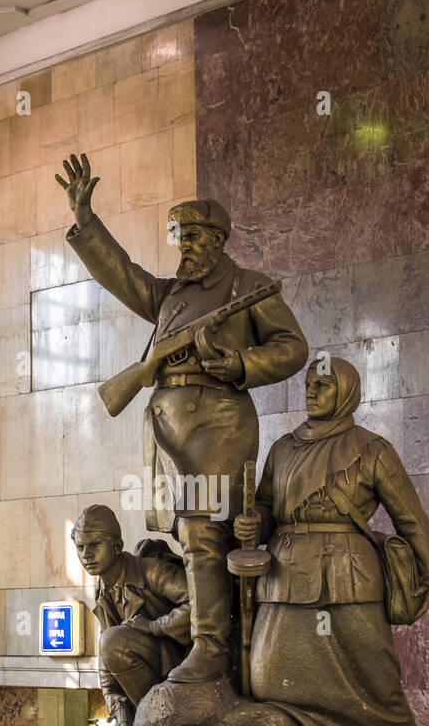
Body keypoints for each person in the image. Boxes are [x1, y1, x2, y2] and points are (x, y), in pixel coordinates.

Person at [57, 153, 307, 684]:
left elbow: (293, 349)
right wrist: (86, 221)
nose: (184, 248)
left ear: (218, 241)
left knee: (199, 526)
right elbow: (121, 276)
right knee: (188, 529)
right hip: (169, 433)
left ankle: (212, 646)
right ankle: (208, 631)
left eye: (193, 239)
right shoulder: (173, 295)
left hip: (218, 422)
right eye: (179, 239)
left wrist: (240, 362)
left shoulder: (246, 288)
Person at [234, 356, 429, 726]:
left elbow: (410, 516)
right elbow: (268, 507)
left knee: (379, 682)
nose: (312, 391)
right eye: (309, 383)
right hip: (285, 578)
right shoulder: (283, 449)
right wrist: (254, 524)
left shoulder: (371, 449)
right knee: (269, 679)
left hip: (348, 578)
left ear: (347, 391)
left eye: (324, 385)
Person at [71, 505, 190, 715]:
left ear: (117, 546)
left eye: (94, 545)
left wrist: (153, 627)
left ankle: (156, 714)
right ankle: (149, 716)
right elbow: (103, 644)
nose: (86, 555)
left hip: (178, 661)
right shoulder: (101, 590)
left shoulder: (151, 571)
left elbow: (200, 605)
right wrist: (110, 694)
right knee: (109, 641)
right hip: (146, 668)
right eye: (80, 547)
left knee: (112, 642)